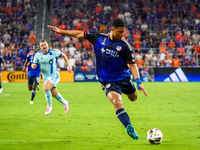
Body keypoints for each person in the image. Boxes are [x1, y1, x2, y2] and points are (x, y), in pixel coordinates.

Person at [48, 18, 148, 140]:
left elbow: (132, 64)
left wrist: (138, 82)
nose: (122, 34)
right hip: (107, 80)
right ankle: (129, 127)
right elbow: (80, 34)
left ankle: (127, 93)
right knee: (117, 102)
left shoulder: (124, 45)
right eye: (120, 32)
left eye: (123, 32)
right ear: (112, 30)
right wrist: (61, 31)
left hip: (124, 77)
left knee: (133, 98)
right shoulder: (98, 38)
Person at [32, 39, 72, 115]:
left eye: (45, 44)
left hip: (54, 75)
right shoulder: (37, 55)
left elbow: (64, 55)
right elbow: (33, 64)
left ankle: (49, 107)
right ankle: (65, 103)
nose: (44, 46)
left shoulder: (54, 52)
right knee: (54, 93)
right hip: (45, 77)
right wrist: (33, 66)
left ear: (47, 44)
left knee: (46, 87)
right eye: (42, 45)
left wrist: (68, 66)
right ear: (40, 47)